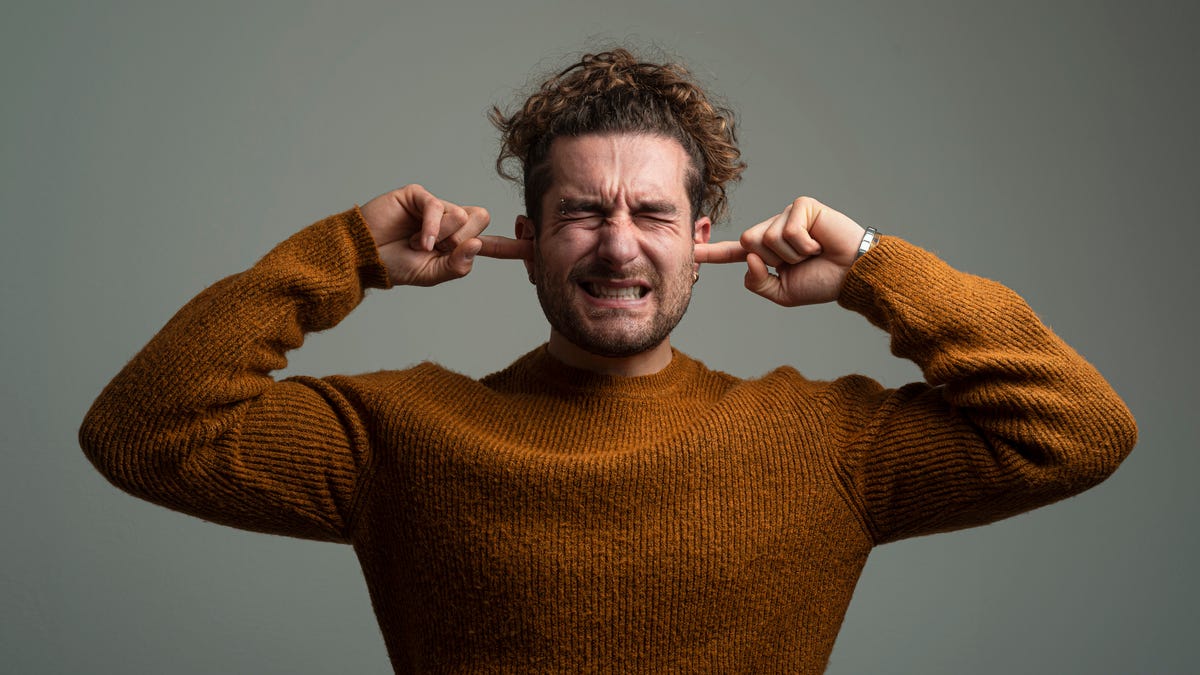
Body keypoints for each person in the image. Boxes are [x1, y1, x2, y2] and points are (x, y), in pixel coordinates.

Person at [80, 49, 1137, 673]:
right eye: (582, 211)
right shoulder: (399, 436)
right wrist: (346, 253)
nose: (620, 244)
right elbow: (142, 431)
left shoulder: (823, 443)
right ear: (529, 239)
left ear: (703, 237)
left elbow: (1079, 430)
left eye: (652, 215)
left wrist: (870, 267)